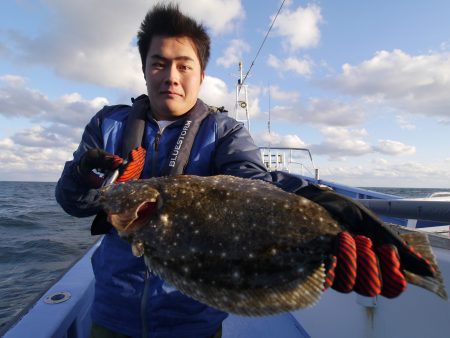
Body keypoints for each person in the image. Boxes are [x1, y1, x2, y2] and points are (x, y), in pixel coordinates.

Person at [56, 3, 431, 338]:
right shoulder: (108, 125)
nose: (171, 75)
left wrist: (319, 203)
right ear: (144, 70)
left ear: (201, 76)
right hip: (113, 312)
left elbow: (255, 184)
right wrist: (82, 176)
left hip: (194, 319)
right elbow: (74, 203)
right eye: (159, 63)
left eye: (184, 65)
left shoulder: (223, 132)